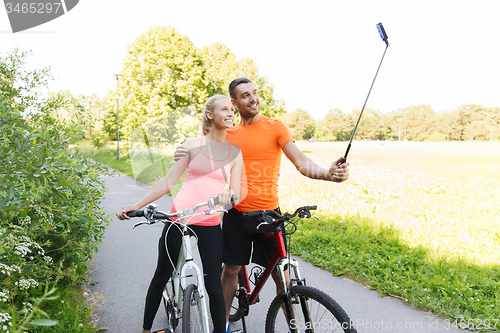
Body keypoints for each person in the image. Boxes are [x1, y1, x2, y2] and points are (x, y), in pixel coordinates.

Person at [174, 78, 350, 329]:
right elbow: (202, 152)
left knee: (282, 276)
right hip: (237, 214)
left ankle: (294, 328)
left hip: (268, 215)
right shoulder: (228, 134)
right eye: (245, 95)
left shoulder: (275, 127)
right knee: (231, 270)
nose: (253, 98)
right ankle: (221, 325)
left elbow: (301, 163)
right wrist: (182, 152)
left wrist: (328, 173)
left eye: (255, 93)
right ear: (234, 103)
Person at [117, 94, 246, 333]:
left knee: (213, 287)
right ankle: (146, 330)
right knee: (161, 276)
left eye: (232, 110)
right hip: (179, 219)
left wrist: (230, 195)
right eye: (224, 109)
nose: (231, 113)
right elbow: (167, 182)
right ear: (210, 115)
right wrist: (137, 205)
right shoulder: (191, 145)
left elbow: (238, 192)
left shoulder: (234, 153)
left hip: (209, 222)